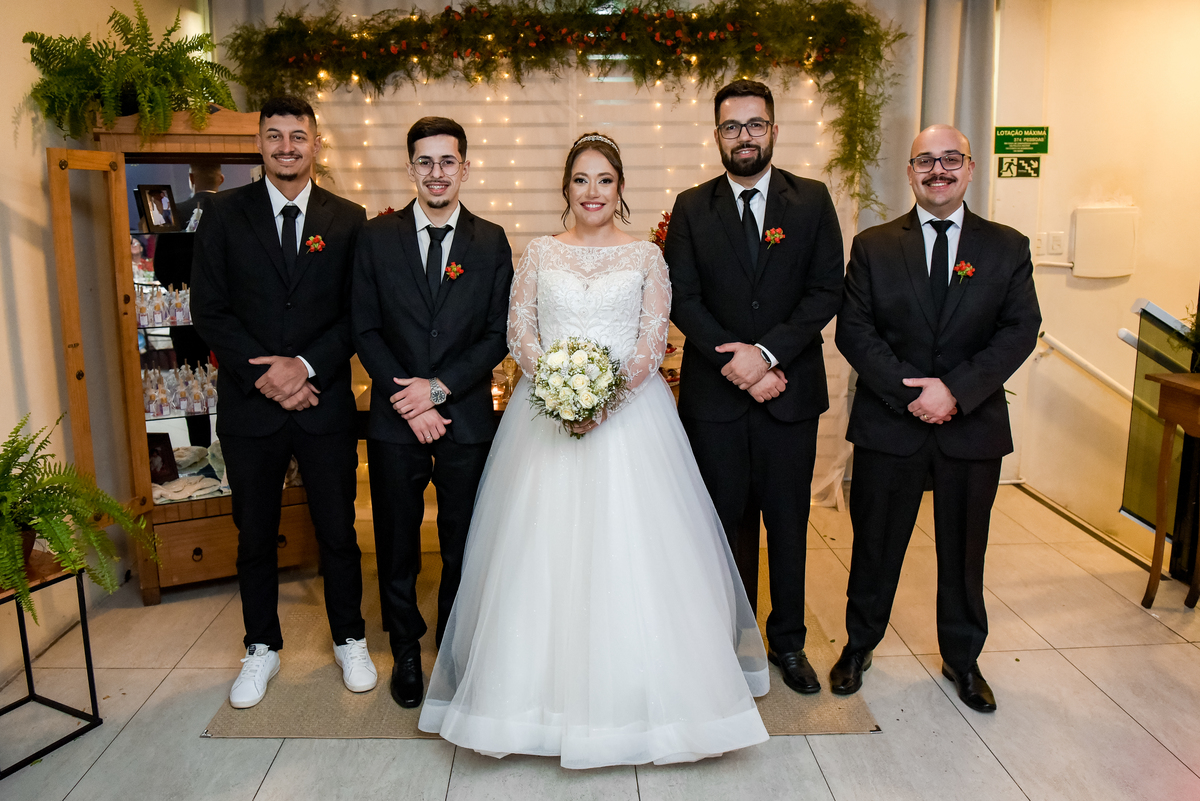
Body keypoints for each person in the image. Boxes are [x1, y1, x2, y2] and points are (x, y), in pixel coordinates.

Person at [417, 132, 769, 768]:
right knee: (537, 552)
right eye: (581, 180)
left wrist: (601, 400)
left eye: (604, 180)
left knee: (634, 550)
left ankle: (643, 697)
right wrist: (558, 390)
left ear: (620, 188)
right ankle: (526, 702)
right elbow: (519, 332)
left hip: (630, 418)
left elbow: (652, 341)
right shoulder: (539, 252)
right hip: (543, 418)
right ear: (566, 188)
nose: (592, 192)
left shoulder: (646, 257)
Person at [830, 124, 1041, 712]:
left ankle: (963, 659)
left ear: (970, 168)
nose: (938, 170)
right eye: (926, 160)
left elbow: (1020, 329)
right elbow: (855, 332)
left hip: (971, 427)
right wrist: (914, 396)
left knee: (965, 552)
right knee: (875, 546)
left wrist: (955, 392)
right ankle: (858, 646)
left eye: (951, 159)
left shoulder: (1007, 246)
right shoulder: (873, 245)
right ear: (910, 172)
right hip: (890, 425)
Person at [191, 96, 375, 709]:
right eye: (275, 135)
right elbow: (209, 309)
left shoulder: (348, 219)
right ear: (260, 144)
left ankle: (349, 637)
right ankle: (261, 646)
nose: (287, 146)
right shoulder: (223, 214)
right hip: (251, 406)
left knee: (338, 531)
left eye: (298, 135)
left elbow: (358, 314)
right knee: (253, 534)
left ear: (316, 144)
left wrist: (304, 367)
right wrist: (268, 375)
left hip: (324, 401)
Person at [664, 80, 845, 695]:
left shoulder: (811, 200)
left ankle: (787, 641)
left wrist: (766, 356)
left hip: (789, 392)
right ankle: (731, 641)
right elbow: (682, 297)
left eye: (754, 124)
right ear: (717, 135)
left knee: (788, 522)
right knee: (725, 524)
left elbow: (825, 289)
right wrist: (737, 363)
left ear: (773, 129)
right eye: (731, 126)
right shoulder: (692, 206)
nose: (744, 136)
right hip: (715, 400)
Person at [352, 116, 514, 710]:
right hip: (396, 420)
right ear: (410, 168)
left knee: (461, 543)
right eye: (425, 161)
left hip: (464, 418)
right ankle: (405, 649)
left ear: (465, 168)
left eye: (448, 161)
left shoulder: (490, 241)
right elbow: (364, 327)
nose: (436, 172)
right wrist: (409, 398)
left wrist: (439, 390)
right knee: (395, 543)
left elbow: (498, 333)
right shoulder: (376, 237)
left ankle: (453, 645)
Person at [155, 163, 225, 447]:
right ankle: (230, 448)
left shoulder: (175, 212)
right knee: (232, 380)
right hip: (228, 315)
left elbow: (161, 268)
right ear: (221, 179)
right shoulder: (232, 209)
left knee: (192, 381)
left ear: (191, 178)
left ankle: (200, 448)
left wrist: (182, 294)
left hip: (186, 316)